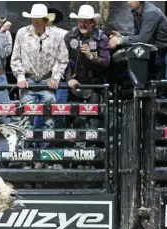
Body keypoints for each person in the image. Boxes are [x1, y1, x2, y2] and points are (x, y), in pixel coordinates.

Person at [10, 4, 68, 169]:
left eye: (38, 19)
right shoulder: (22, 33)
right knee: (27, 119)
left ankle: (45, 157)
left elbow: (62, 58)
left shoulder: (56, 35)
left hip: (46, 81)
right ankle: (29, 156)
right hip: (28, 81)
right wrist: (20, 76)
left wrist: (56, 77)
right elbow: (15, 58)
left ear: (44, 20)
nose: (35, 22)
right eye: (33, 19)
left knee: (48, 120)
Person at [64, 4, 110, 151]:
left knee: (94, 118)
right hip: (75, 84)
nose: (82, 24)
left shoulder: (101, 37)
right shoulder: (70, 36)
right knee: (76, 117)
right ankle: (77, 150)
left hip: (94, 85)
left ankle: (91, 151)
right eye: (80, 21)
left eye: (86, 21)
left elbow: (106, 62)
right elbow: (63, 61)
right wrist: (69, 78)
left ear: (92, 22)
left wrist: (91, 56)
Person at [109, 1, 167, 95]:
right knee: (146, 77)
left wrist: (119, 40)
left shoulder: (151, 12)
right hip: (157, 51)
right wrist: (121, 37)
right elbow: (138, 36)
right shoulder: (135, 12)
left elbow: (143, 39)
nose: (128, 1)